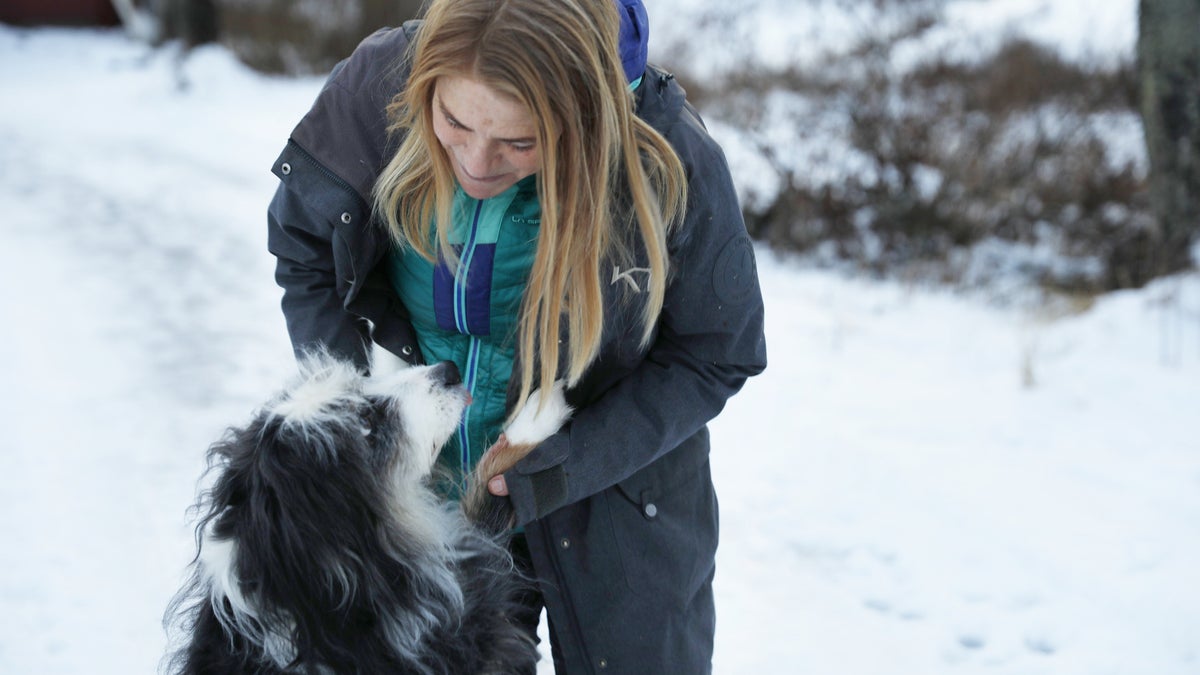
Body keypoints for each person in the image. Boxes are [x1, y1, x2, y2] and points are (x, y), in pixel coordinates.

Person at [266, 0, 766, 672]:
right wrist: (358, 416)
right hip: (435, 514)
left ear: (584, 122)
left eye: (519, 142)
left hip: (617, 512)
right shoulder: (376, 86)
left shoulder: (666, 154)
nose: (475, 162)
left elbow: (715, 350)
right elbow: (305, 250)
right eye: (454, 122)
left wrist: (566, 461)